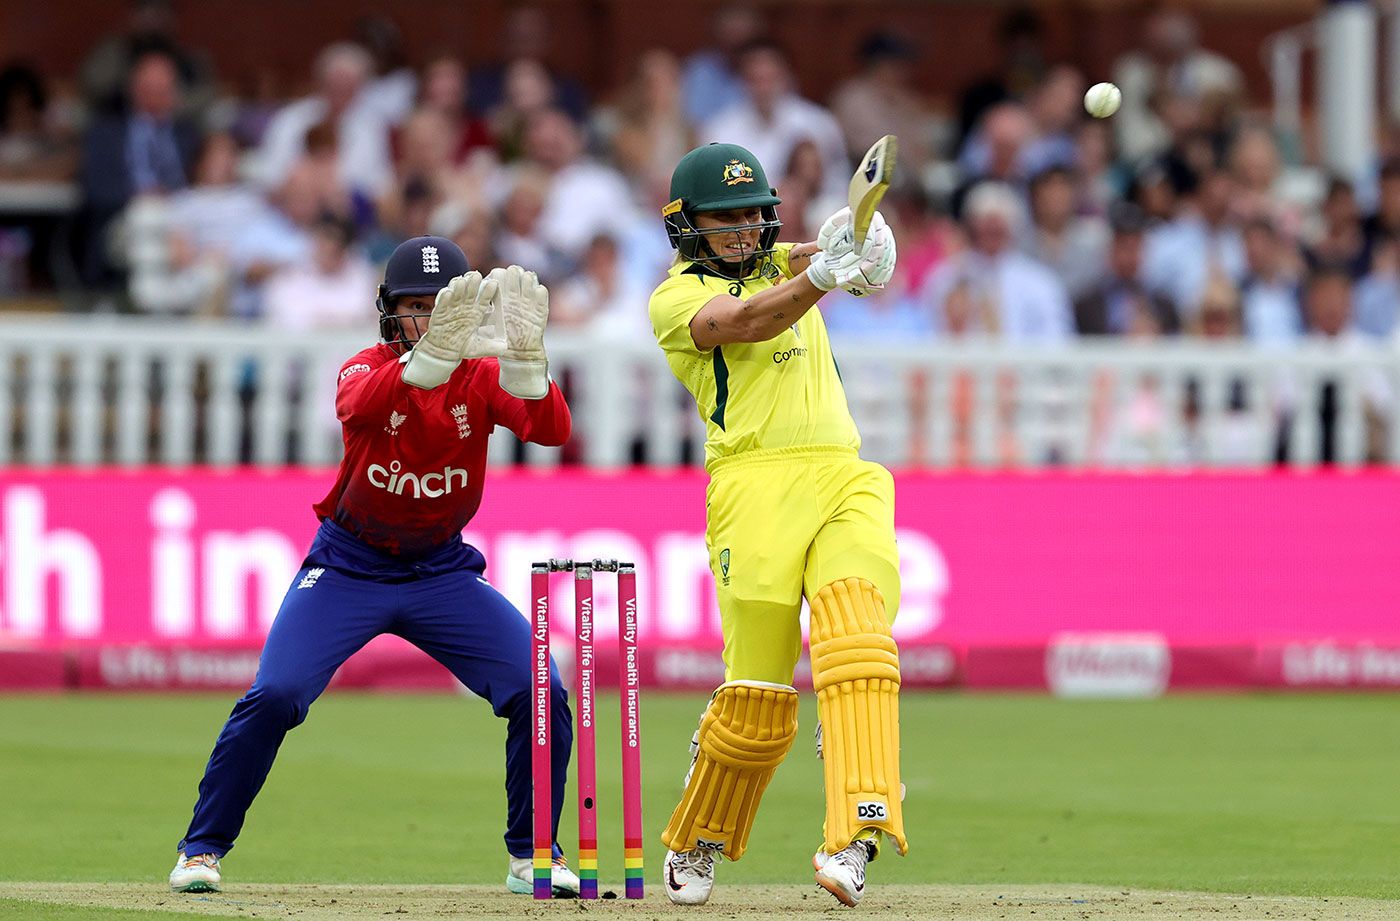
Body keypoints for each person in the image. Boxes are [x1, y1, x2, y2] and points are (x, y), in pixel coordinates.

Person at [167, 236, 582, 898]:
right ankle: (202, 847)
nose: (425, 319)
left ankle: (533, 853)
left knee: (542, 689)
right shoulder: (364, 368)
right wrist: (433, 354)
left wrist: (531, 364)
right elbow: (358, 408)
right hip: (349, 565)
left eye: (438, 306)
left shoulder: (479, 375)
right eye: (414, 307)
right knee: (275, 694)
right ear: (388, 313)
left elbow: (551, 430)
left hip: (442, 571)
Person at [647, 142, 906, 907]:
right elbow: (752, 320)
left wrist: (853, 243)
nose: (744, 230)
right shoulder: (673, 300)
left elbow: (811, 255)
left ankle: (855, 836)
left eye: (755, 214)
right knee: (758, 699)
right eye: (725, 219)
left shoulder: (777, 258)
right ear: (685, 226)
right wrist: (826, 270)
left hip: (841, 472)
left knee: (859, 641)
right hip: (752, 489)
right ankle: (699, 834)